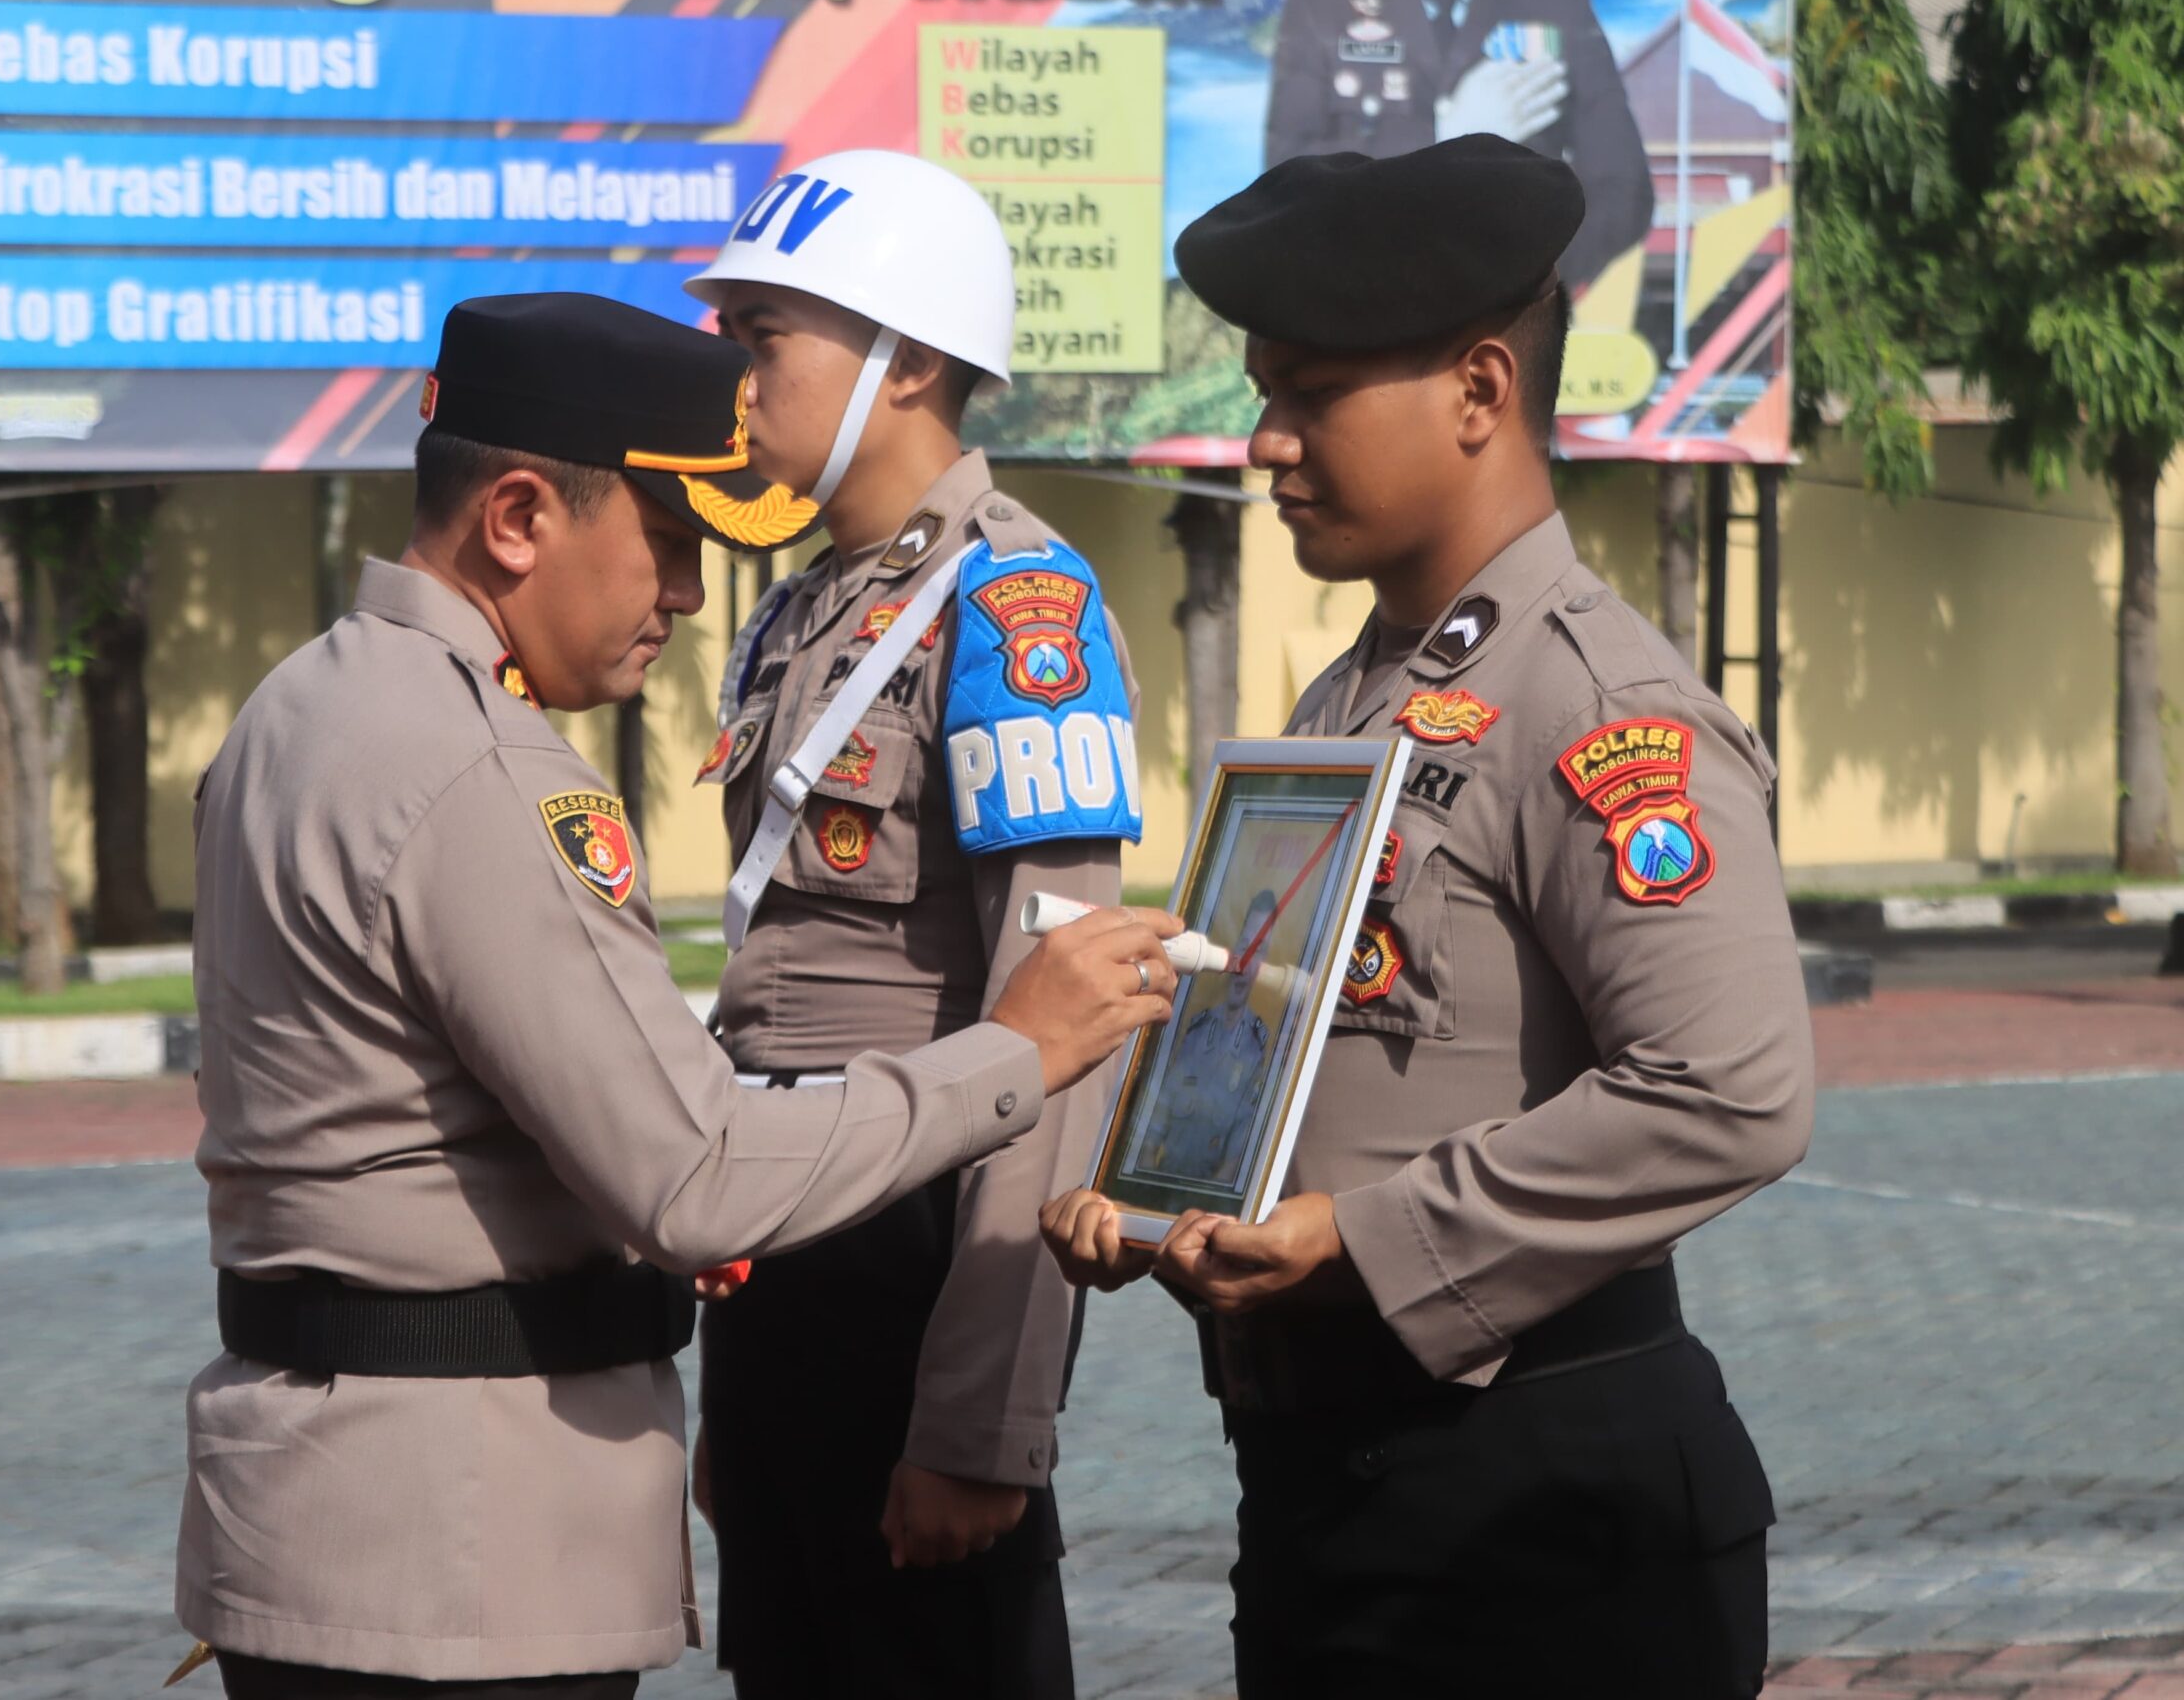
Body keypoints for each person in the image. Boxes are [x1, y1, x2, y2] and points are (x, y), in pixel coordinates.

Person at [171, 291, 1184, 1700]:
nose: (691, 594)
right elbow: (696, 1169)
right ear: (518, 517)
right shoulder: (481, 768)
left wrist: (972, 1409)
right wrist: (1016, 1049)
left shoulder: (295, 709)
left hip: (328, 1509)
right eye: (666, 543)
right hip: (463, 1548)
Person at [1041, 136, 1814, 1699]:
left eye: (1312, 391)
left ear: (1478, 391)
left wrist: (1365, 1238)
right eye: (1267, 390)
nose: (1265, 440)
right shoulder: (1354, 700)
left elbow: (1731, 1088)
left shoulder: (1597, 707)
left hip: (1541, 1505)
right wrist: (1146, 1194)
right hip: (1336, 1486)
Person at [680, 148, 1144, 1700]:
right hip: (781, 1261)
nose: (734, 375)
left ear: (914, 360)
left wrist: (981, 1418)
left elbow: (1060, 1023)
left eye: (766, 335)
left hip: (918, 1267)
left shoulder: (1021, 608)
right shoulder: (804, 603)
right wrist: (732, 1403)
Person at [1263, 0, 1652, 288]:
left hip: (1504, 334)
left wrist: (1519, 281)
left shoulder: (1553, 4)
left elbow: (1625, 193)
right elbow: (1286, 183)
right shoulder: (1320, 5)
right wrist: (1444, 137)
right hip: (1367, 321)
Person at [1141, 891, 1275, 1182]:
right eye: (1243, 946)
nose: (1246, 962)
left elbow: (1239, 1152)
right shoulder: (1197, 1028)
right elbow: (1160, 1106)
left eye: (1259, 951)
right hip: (1160, 1179)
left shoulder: (1258, 1044)